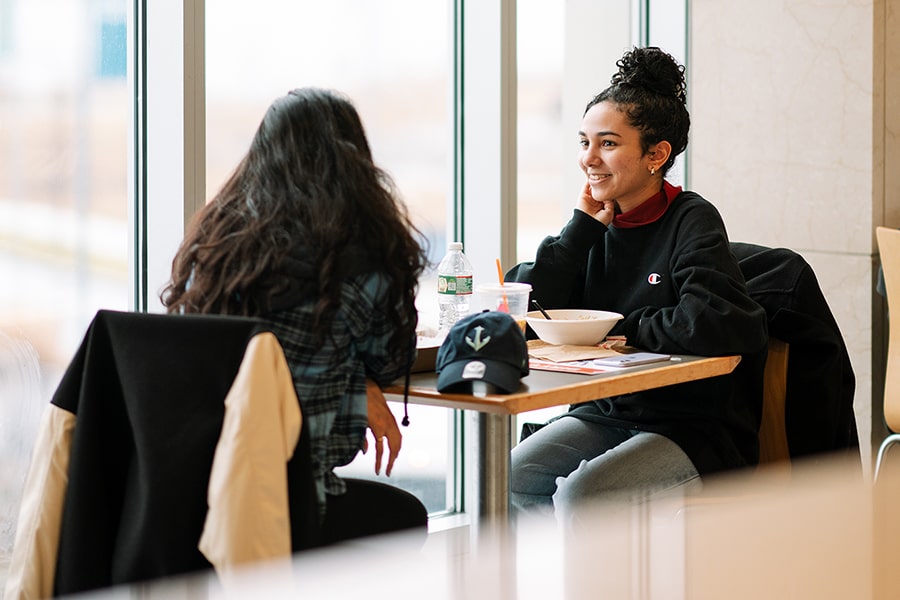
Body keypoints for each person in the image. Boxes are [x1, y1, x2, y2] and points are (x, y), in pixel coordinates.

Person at [507, 47, 769, 527]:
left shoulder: (691, 219)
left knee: (585, 498)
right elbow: (525, 306)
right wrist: (578, 233)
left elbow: (717, 320)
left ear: (657, 154)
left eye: (607, 144)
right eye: (584, 141)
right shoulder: (594, 227)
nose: (589, 159)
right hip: (605, 411)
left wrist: (624, 329)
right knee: (512, 478)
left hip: (692, 427)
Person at [160, 87, 430, 545]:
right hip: (285, 505)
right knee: (405, 516)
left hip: (188, 498)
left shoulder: (216, 249)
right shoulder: (360, 260)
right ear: (354, 161)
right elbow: (389, 360)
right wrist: (357, 381)